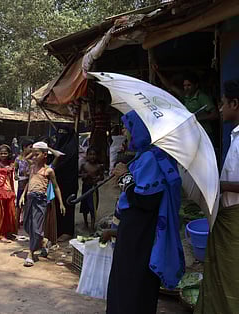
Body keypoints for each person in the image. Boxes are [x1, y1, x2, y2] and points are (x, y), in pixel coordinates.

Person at [107, 110, 184, 314]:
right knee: (126, 283)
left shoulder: (152, 158)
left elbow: (145, 199)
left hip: (140, 234)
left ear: (139, 129)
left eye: (127, 126)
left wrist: (124, 177)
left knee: (133, 287)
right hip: (134, 231)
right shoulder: (143, 156)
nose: (124, 130)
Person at [195, 79, 239, 313]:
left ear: (235, 103)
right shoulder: (235, 136)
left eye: (223, 103)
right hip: (229, 217)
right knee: (226, 277)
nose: (220, 109)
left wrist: (217, 185)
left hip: (235, 220)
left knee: (233, 276)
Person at [19, 141, 66, 267]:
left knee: (36, 227)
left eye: (37, 155)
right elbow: (25, 160)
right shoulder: (32, 167)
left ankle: (31, 254)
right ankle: (44, 241)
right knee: (28, 226)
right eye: (33, 155)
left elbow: (56, 187)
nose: (33, 157)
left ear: (45, 155)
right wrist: (23, 196)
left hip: (41, 201)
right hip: (30, 198)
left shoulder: (48, 170)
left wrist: (61, 203)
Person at [152, 65, 218, 137]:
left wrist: (197, 118)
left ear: (196, 85)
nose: (186, 88)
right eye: (184, 85)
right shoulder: (185, 95)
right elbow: (170, 86)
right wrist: (157, 72)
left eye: (189, 85)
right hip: (192, 133)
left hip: (205, 133)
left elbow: (215, 115)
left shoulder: (202, 97)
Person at [79, 147, 104, 233]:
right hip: (85, 188)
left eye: (94, 154)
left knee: (93, 207)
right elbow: (80, 175)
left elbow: (102, 177)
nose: (92, 156)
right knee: (85, 207)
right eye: (90, 154)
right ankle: (86, 223)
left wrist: (97, 178)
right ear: (87, 155)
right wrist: (84, 176)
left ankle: (92, 226)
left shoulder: (99, 166)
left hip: (93, 189)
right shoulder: (84, 165)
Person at [14, 139, 33, 229]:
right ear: (24, 148)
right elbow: (15, 169)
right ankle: (16, 222)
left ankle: (26, 222)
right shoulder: (18, 158)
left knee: (28, 204)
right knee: (19, 204)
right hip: (22, 182)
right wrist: (15, 175)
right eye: (30, 147)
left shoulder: (32, 158)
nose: (32, 149)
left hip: (30, 183)